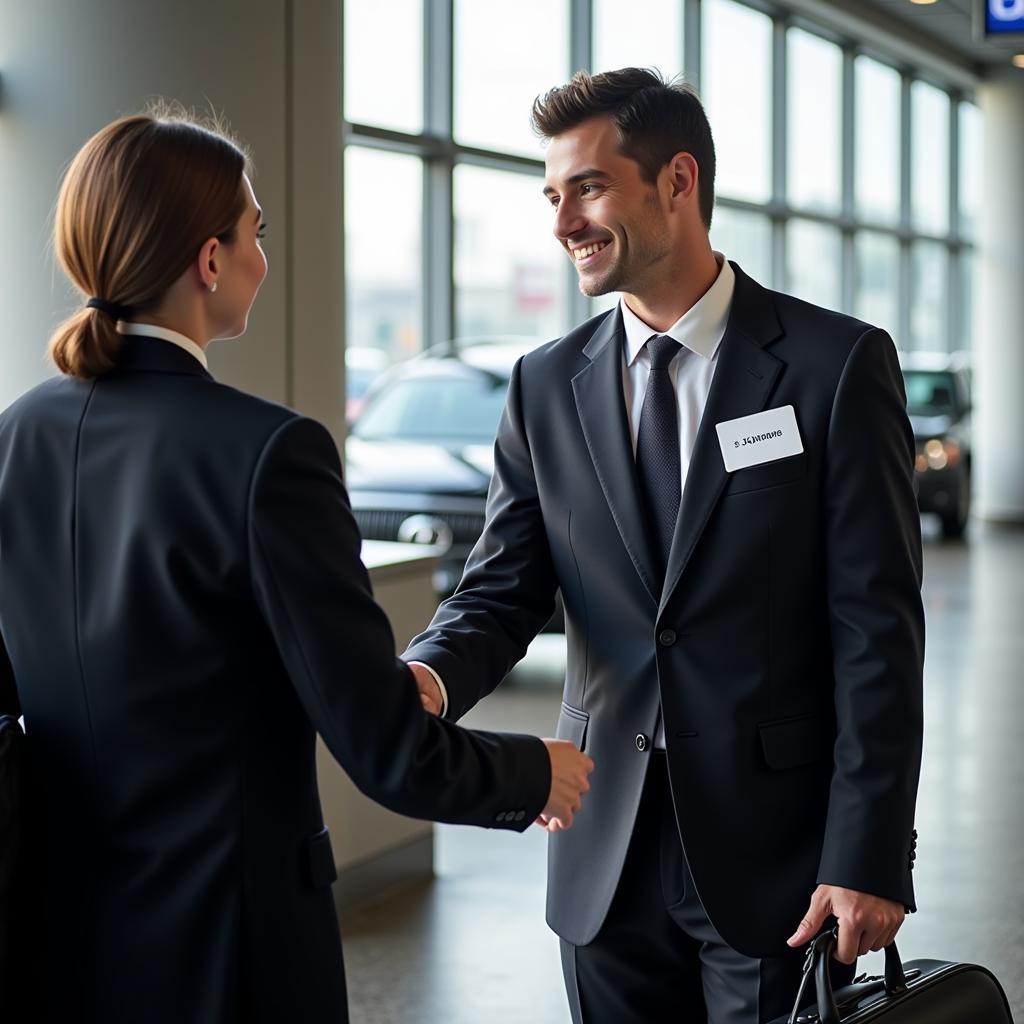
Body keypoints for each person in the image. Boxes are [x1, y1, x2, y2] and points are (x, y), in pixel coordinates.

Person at [0, 109, 593, 1024]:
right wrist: (533, 773)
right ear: (209, 260)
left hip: (58, 936)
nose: (260, 258)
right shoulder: (268, 454)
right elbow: (384, 752)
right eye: (255, 232)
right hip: (232, 949)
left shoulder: (16, 437)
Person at [404, 68, 925, 1024]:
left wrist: (868, 853)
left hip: (781, 864)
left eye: (589, 188)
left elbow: (876, 630)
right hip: (602, 850)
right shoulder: (545, 386)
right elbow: (504, 588)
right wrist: (430, 675)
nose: (564, 222)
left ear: (678, 181)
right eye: (553, 196)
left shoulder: (833, 366)